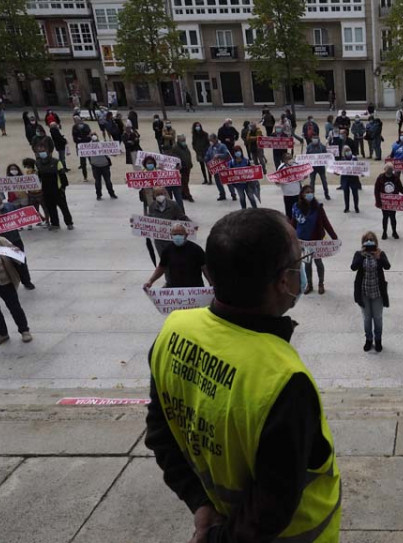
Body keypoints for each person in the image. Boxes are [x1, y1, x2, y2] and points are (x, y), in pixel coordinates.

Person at [146, 208, 341, 543]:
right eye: (299, 262)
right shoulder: (284, 380)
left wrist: (200, 504)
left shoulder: (173, 331)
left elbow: (160, 433)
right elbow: (271, 509)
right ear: (284, 281)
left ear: (208, 274)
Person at [0, 193, 34, 290]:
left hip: (14, 240)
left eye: (0, 202)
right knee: (3, 264)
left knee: (21, 261)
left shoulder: (10, 207)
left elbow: (19, 218)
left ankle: (27, 281)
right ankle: (10, 284)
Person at [291, 185, 338, 295]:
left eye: (311, 192)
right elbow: (293, 223)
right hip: (303, 241)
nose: (309, 194)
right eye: (307, 192)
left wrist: (334, 237)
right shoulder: (296, 207)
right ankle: (310, 284)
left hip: (316, 241)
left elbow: (326, 223)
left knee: (318, 262)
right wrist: (289, 236)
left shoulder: (318, 207)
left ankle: (321, 283)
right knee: (307, 264)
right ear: (302, 194)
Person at [143, 224, 210, 289]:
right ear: (171, 235)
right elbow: (161, 267)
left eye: (180, 234)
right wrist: (150, 281)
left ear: (186, 235)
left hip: (194, 290)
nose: (177, 236)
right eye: (175, 234)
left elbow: (205, 268)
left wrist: (212, 284)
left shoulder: (196, 249)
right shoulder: (167, 250)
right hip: (175, 291)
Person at [34, 145, 73, 230]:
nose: (41, 153)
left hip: (57, 189)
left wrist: (63, 188)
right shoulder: (37, 163)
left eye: (43, 151)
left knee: (63, 207)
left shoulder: (56, 162)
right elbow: (38, 177)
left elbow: (62, 175)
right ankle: (55, 223)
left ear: (48, 152)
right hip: (46, 189)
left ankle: (69, 223)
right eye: (39, 151)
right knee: (50, 207)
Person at [147, 185, 189, 262]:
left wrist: (192, 226)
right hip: (159, 240)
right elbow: (149, 220)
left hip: (171, 238)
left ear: (165, 193)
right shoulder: (152, 206)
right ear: (154, 196)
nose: (160, 196)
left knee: (174, 259)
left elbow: (182, 217)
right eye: (157, 194)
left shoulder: (173, 205)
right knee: (163, 260)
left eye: (161, 194)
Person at [374, 163, 403, 240]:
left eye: (390, 169)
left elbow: (400, 188)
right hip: (384, 202)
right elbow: (376, 191)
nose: (389, 171)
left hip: (393, 202)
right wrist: (378, 202)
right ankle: (384, 232)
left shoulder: (395, 177)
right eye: (388, 169)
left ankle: (394, 231)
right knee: (385, 217)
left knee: (393, 217)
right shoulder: (380, 178)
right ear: (385, 170)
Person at [204, 134, 236, 202]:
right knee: (218, 182)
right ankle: (222, 194)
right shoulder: (210, 148)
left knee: (228, 180)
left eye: (211, 140)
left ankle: (233, 194)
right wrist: (206, 159)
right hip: (215, 168)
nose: (210, 142)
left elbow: (227, 154)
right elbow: (207, 155)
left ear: (215, 139)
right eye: (210, 140)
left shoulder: (222, 146)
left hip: (223, 166)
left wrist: (219, 155)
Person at [87, 135, 117, 200]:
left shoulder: (88, 146)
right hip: (104, 165)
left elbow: (86, 155)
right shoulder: (102, 144)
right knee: (107, 181)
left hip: (96, 166)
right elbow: (109, 152)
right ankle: (111, 194)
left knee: (98, 181)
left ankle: (99, 195)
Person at [169, 134, 194, 203]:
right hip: (181, 168)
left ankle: (183, 194)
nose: (184, 141)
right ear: (179, 141)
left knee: (186, 181)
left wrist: (190, 163)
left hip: (187, 166)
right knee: (184, 182)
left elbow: (188, 155)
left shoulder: (185, 146)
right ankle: (188, 195)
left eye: (184, 140)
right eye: (182, 140)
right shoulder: (175, 148)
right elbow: (174, 158)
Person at [306, 135, 331, 200]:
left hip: (321, 167)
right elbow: (306, 156)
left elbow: (326, 156)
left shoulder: (322, 147)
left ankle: (326, 194)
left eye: (316, 138)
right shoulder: (309, 147)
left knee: (324, 181)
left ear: (318, 139)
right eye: (313, 138)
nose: (315, 140)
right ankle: (311, 195)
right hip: (312, 167)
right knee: (312, 182)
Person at [338, 145, 361, 213]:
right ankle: (346, 207)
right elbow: (339, 168)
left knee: (355, 194)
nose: (348, 152)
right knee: (346, 194)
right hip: (345, 179)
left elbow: (359, 168)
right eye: (346, 151)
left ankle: (356, 207)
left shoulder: (354, 158)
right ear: (344, 152)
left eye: (349, 150)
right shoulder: (342, 159)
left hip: (353, 179)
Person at [71, 116, 92, 182]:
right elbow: (75, 137)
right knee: (83, 163)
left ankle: (96, 174)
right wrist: (83, 138)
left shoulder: (86, 126)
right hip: (80, 146)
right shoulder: (74, 127)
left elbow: (89, 135)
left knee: (91, 160)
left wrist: (82, 138)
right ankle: (85, 177)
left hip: (87, 145)